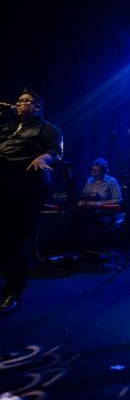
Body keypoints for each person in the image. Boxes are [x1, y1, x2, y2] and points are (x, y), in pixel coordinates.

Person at [0, 88, 63, 314]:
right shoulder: (8, 127)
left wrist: (43, 158)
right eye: (19, 100)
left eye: (26, 101)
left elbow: (56, 151)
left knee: (15, 238)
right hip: (3, 185)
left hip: (26, 186)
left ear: (38, 107)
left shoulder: (46, 128)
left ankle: (13, 291)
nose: (20, 103)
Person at [78, 158, 123, 253]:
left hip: (106, 214)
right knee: (76, 219)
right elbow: (83, 196)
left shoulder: (111, 181)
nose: (93, 172)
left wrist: (99, 203)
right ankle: (83, 249)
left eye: (96, 171)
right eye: (92, 170)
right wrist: (82, 202)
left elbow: (118, 200)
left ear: (103, 172)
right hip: (90, 212)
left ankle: (97, 250)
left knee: (98, 223)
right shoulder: (89, 181)